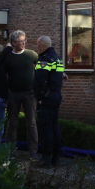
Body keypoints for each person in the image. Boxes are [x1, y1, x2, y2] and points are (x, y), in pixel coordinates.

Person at [0, 30, 39, 157]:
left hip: (29, 94)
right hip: (13, 94)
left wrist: (60, 73)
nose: (24, 43)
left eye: (24, 40)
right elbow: (0, 74)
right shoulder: (8, 57)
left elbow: (43, 67)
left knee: (32, 123)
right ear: (13, 43)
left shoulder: (31, 55)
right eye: (21, 41)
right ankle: (10, 150)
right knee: (11, 123)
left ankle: (33, 151)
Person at [33, 35, 64, 168]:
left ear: (41, 45)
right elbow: (57, 78)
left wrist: (39, 97)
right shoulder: (58, 59)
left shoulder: (43, 60)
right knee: (54, 126)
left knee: (45, 128)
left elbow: (41, 80)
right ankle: (56, 158)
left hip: (46, 98)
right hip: (56, 96)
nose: (37, 48)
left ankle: (46, 159)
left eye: (37, 45)